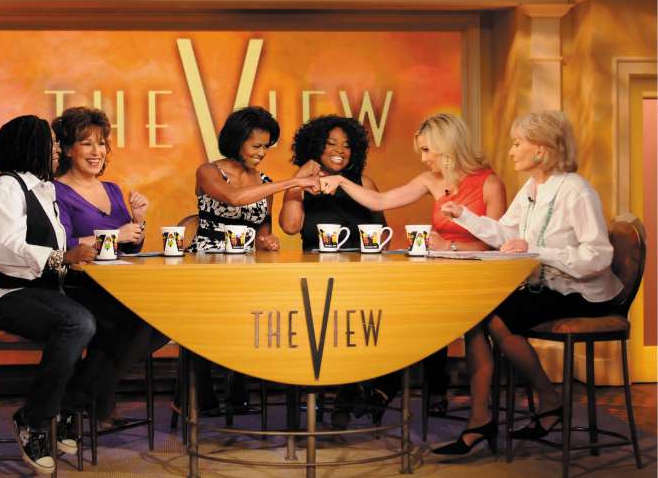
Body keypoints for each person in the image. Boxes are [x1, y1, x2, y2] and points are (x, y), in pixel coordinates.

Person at [435, 110, 623, 456]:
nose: (511, 151)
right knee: (479, 315)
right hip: (547, 286)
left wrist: (537, 249)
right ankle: (485, 417)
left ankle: (540, 404)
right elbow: (507, 233)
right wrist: (464, 216)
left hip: (582, 292)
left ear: (541, 149)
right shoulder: (533, 187)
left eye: (517, 143)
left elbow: (597, 256)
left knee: (493, 317)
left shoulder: (577, 191)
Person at [319, 113, 507, 417]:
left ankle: (385, 387)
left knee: (418, 312)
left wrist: (450, 246)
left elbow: (498, 244)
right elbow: (379, 202)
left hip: (474, 277)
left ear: (447, 148)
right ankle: (389, 386)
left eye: (426, 150)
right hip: (438, 273)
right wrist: (341, 181)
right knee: (394, 305)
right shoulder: (431, 180)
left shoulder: (490, 183)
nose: (422, 159)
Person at [0, 115, 97, 475]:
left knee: (122, 317)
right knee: (76, 322)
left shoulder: (46, 191)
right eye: (52, 142)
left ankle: (71, 405)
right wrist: (62, 257)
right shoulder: (3, 188)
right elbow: (4, 250)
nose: (58, 149)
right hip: (1, 295)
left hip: (39, 291)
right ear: (30, 146)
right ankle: (35, 421)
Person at [188, 106, 319, 412]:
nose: (262, 153)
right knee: (204, 325)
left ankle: (237, 385)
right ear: (237, 141)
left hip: (245, 267)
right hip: (207, 262)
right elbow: (233, 198)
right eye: (257, 146)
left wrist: (267, 243)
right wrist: (293, 182)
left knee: (252, 318)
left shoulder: (265, 182)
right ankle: (201, 390)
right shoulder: (208, 171)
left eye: (266, 147)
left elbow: (263, 234)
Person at [279, 114, 400, 429]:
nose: (340, 151)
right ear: (314, 147)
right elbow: (290, 226)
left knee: (379, 322)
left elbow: (382, 236)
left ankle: (354, 394)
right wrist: (298, 178)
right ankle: (340, 394)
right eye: (330, 144)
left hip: (359, 281)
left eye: (347, 145)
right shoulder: (301, 185)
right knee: (323, 328)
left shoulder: (363, 184)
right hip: (314, 284)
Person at [52, 106, 168, 426]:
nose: (96, 152)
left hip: (120, 283)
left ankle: (80, 399)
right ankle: (91, 401)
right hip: (81, 288)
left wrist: (138, 221)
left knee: (161, 318)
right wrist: (116, 233)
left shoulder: (113, 189)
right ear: (68, 149)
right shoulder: (56, 191)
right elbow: (65, 247)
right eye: (87, 143)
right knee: (130, 324)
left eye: (101, 144)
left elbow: (130, 247)